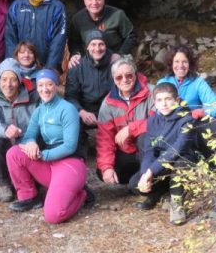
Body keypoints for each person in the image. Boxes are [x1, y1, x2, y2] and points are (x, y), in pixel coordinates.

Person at [6, 69, 93, 224]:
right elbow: (29, 135)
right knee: (14, 153)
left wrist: (43, 155)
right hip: (49, 165)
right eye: (40, 85)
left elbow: (70, 146)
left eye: (49, 84)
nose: (44, 89)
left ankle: (82, 194)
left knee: (54, 216)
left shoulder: (67, 109)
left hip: (69, 162)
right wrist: (31, 142)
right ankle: (29, 197)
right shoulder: (39, 110)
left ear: (56, 86)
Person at [131, 82, 197, 225]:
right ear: (154, 102)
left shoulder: (187, 120)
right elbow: (149, 150)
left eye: (168, 99)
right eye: (159, 100)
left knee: (181, 163)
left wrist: (150, 172)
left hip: (183, 159)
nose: (164, 104)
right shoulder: (153, 121)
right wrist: (145, 174)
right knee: (134, 184)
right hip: (162, 164)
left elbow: (176, 149)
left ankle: (177, 202)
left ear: (177, 100)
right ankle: (159, 194)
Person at [0, 58, 38, 202]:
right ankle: (3, 183)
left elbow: (38, 121)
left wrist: (27, 136)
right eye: (4, 79)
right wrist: (5, 129)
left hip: (26, 142)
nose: (8, 84)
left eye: (13, 79)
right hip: (6, 142)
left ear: (19, 81)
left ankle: (30, 180)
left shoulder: (32, 96)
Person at [96, 57, 153, 186]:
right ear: (114, 79)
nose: (125, 80)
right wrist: (106, 167)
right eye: (119, 77)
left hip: (151, 151)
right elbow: (105, 139)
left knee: (143, 137)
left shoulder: (152, 93)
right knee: (103, 170)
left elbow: (160, 122)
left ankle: (148, 179)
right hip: (128, 152)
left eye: (128, 75)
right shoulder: (108, 103)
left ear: (135, 75)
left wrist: (131, 129)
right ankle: (139, 181)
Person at [5, 0, 67, 71]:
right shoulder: (17, 6)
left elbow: (58, 40)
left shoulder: (57, 7)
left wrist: (50, 67)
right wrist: (14, 65)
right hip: (21, 66)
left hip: (45, 65)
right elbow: (10, 37)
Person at [68, 0, 137, 60]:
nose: (94, 3)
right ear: (84, 0)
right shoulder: (78, 19)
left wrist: (120, 54)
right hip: (89, 61)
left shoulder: (118, 15)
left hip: (115, 59)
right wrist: (76, 54)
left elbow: (131, 37)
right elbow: (74, 42)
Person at [65, 30, 114, 132]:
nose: (97, 48)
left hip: (111, 111)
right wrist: (82, 112)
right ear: (87, 47)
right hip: (86, 111)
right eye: (93, 44)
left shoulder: (115, 64)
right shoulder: (76, 67)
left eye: (101, 44)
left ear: (106, 46)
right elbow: (70, 96)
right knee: (70, 119)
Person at [158, 44, 216, 118]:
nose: (180, 65)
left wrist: (203, 112)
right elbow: (157, 112)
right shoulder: (162, 83)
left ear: (190, 64)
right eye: (176, 61)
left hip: (191, 124)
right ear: (171, 63)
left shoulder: (198, 83)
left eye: (184, 62)